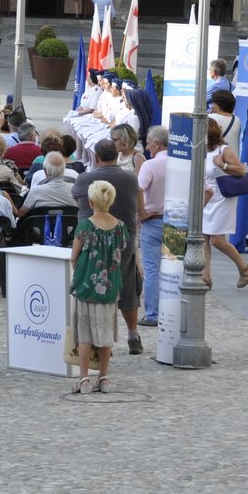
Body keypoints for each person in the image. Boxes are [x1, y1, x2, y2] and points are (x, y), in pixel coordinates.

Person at [73, 139, 145, 355]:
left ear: (95, 157)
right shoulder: (130, 178)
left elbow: (77, 201)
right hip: (122, 240)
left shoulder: (85, 178)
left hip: (92, 241)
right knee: (127, 289)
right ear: (117, 155)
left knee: (94, 291)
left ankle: (98, 339)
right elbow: (139, 206)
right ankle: (133, 334)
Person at [69, 180, 126, 394]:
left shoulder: (85, 225)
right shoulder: (120, 226)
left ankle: (84, 378)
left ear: (91, 201)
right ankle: (103, 377)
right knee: (105, 333)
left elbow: (74, 256)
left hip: (86, 285)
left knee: (84, 333)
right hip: (110, 286)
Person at [200, 120, 248, 291]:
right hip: (207, 196)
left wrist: (222, 164)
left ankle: (243, 266)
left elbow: (240, 170)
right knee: (203, 238)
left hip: (222, 196)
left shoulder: (223, 150)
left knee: (217, 239)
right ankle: (205, 276)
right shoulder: (202, 151)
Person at [135, 126, 168, 326]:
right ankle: (172, 311)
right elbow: (207, 191)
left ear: (157, 144)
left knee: (152, 269)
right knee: (173, 266)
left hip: (153, 221)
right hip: (176, 223)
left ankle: (153, 313)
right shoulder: (182, 164)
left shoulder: (151, 165)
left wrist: (142, 212)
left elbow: (138, 189)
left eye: (148, 142)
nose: (147, 147)